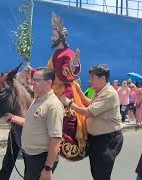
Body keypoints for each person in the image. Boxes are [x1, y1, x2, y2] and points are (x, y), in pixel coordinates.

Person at [60, 64, 123, 180]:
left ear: (102, 78)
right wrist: (79, 91)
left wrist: (69, 103)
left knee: (102, 174)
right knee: (96, 172)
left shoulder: (109, 93)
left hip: (107, 140)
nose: (90, 81)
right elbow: (90, 104)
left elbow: (90, 112)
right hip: (97, 139)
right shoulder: (100, 92)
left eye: (92, 78)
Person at [5, 67, 64, 180]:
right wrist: (13, 118)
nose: (33, 82)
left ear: (49, 82)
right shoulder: (37, 100)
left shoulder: (53, 105)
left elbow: (56, 139)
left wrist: (47, 169)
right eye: (33, 79)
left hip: (41, 159)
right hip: (31, 157)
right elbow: (30, 123)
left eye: (37, 80)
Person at [47, 12, 87, 161]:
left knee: (66, 115)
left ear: (61, 38)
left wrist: (74, 62)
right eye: (52, 35)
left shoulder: (68, 53)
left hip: (65, 90)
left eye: (54, 36)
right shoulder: (55, 53)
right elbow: (48, 71)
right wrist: (33, 72)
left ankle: (65, 141)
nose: (51, 38)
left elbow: (68, 75)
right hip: (53, 88)